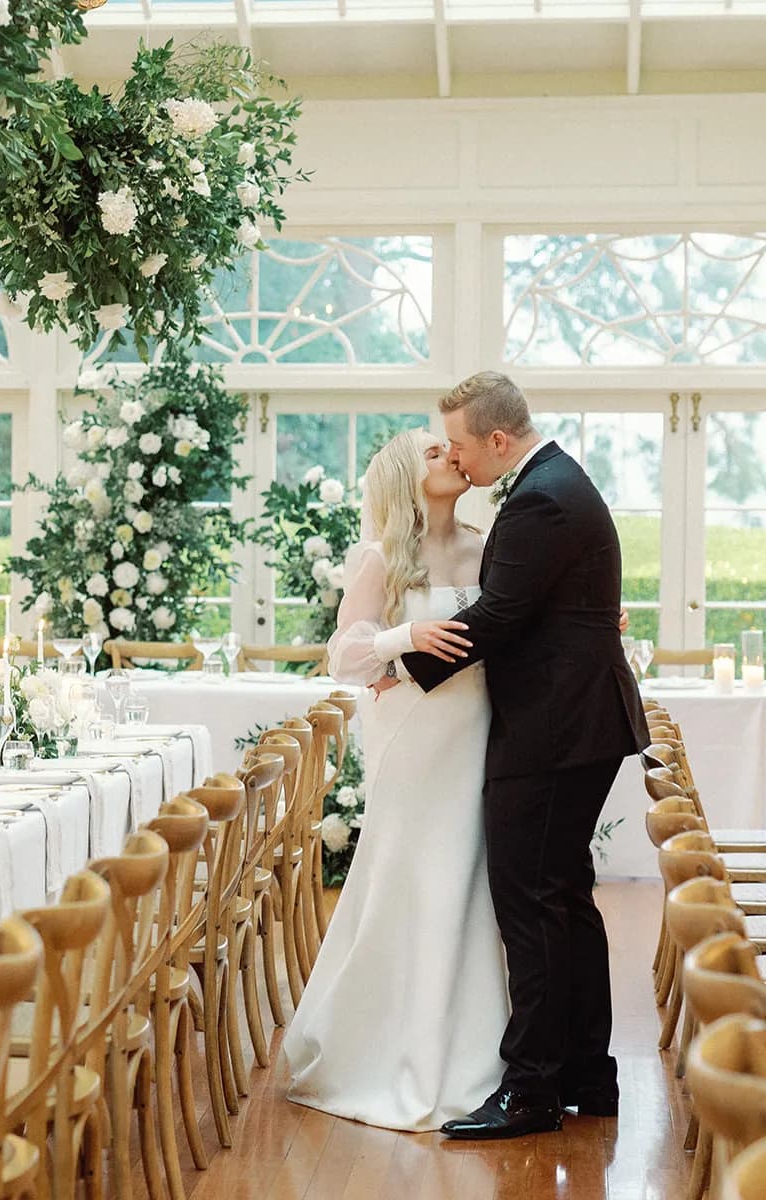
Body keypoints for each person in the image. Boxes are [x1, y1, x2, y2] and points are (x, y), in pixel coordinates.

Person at [395, 371, 650, 1140]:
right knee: (564, 898)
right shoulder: (552, 480)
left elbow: (501, 613)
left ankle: (533, 1089)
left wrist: (403, 668)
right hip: (577, 722)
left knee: (532, 903)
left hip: (553, 729)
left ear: (498, 440)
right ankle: (586, 1074)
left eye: (464, 446)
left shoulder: (540, 495)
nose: (459, 460)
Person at [282, 427, 509, 1132]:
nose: (451, 457)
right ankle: (386, 1053)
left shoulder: (485, 546)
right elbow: (342, 655)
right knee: (411, 880)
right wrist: (401, 639)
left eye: (450, 449)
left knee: (465, 883)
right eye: (435, 454)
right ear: (409, 477)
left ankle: (474, 1060)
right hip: (411, 738)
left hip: (475, 734)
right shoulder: (382, 558)